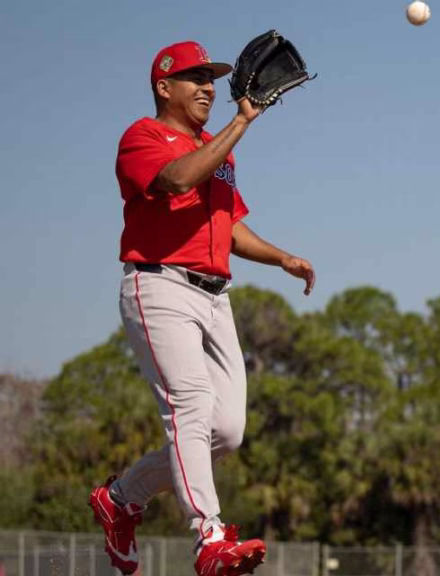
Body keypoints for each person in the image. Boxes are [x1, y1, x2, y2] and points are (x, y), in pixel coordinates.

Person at [90, 40, 316, 576]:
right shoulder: (143, 136)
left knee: (228, 431)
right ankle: (208, 536)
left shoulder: (218, 148)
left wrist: (281, 257)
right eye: (195, 77)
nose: (208, 87)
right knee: (190, 404)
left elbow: (230, 227)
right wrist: (242, 122)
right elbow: (176, 180)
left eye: (211, 78)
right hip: (160, 286)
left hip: (216, 296)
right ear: (164, 86)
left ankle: (121, 498)